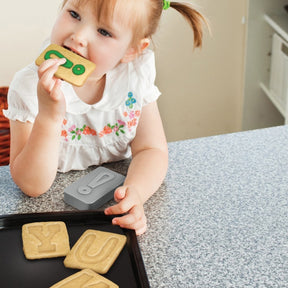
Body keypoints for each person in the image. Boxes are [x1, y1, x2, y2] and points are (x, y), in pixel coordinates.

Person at [3, 0, 207, 235]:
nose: (78, 36)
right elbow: (31, 186)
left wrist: (136, 192)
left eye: (104, 31)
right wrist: (49, 117)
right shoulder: (29, 85)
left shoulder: (134, 76)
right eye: (74, 14)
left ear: (132, 50)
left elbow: (151, 149)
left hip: (110, 213)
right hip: (52, 218)